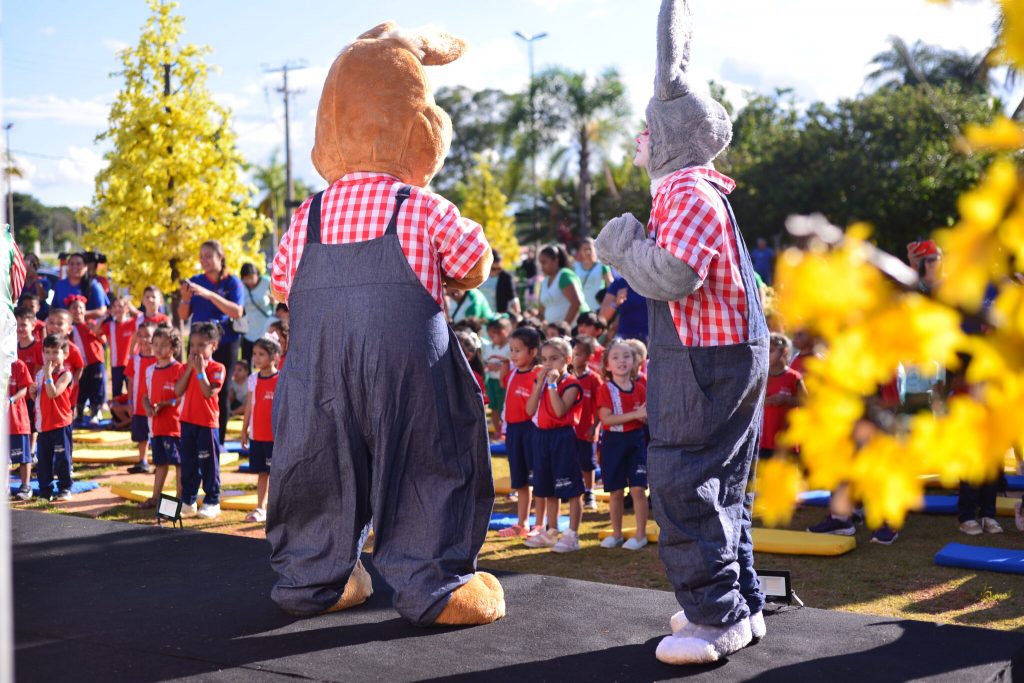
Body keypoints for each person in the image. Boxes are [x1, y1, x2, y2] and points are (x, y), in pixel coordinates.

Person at [594, 0, 767, 662]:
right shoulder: (690, 192)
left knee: (683, 477)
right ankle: (739, 602)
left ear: (670, 135)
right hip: (716, 354)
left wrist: (622, 246)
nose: (639, 140)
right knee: (722, 483)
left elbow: (673, 275)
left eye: (646, 129)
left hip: (707, 362)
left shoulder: (689, 192)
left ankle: (713, 616)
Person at [177, 240, 244, 445]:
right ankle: (191, 437)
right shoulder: (195, 281)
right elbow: (183, 315)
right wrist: (186, 298)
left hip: (225, 342)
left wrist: (209, 294)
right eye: (201, 256)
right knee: (192, 388)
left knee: (220, 392)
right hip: (198, 342)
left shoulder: (232, 282)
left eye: (208, 256)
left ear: (220, 256)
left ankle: (218, 440)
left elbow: (237, 311)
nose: (204, 260)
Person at [524, 337, 584, 553]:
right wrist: (540, 384)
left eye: (554, 359)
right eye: (545, 359)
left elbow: (560, 411)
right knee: (548, 488)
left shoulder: (571, 384)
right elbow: (529, 410)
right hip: (541, 436)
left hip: (562, 437)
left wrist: (551, 385)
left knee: (570, 487)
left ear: (567, 360)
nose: (549, 364)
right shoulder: (540, 381)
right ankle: (552, 530)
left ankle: (572, 534)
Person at [597, 340, 650, 550]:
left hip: (636, 441)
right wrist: (636, 415)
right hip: (613, 443)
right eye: (616, 357)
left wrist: (644, 417)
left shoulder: (641, 387)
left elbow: (647, 415)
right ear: (607, 364)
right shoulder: (605, 389)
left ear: (635, 361)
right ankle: (617, 533)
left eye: (626, 356)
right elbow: (606, 419)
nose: (621, 361)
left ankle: (640, 535)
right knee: (616, 491)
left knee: (638, 489)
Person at [174, 322, 226, 519]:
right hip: (187, 421)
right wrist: (189, 369)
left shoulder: (216, 368)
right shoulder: (184, 367)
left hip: (207, 423)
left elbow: (207, 392)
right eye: (193, 345)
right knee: (188, 462)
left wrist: (199, 371)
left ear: (213, 345)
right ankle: (188, 500)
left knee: (208, 464)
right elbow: (178, 391)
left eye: (201, 345)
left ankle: (212, 501)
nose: (196, 349)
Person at [497, 326, 543, 538]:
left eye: (517, 350)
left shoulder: (538, 373)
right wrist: (506, 364)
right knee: (521, 481)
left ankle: (540, 524)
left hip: (531, 430)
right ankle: (522, 523)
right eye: (511, 350)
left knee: (538, 479)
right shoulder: (514, 371)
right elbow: (503, 382)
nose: (513, 355)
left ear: (532, 352)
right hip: (514, 430)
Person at [141, 326, 185, 508]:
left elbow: (181, 396)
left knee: (178, 464)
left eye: (164, 345)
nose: (158, 349)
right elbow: (145, 395)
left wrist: (164, 405)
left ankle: (179, 500)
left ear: (173, 348)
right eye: (156, 344)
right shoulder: (150, 370)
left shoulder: (180, 370)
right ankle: (155, 497)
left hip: (175, 426)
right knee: (160, 463)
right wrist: (148, 408)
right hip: (157, 426)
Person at [240, 337, 281, 523]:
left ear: (275, 357)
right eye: (255, 354)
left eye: (261, 354)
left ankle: (278, 509)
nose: (256, 358)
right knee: (262, 473)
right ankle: (260, 507)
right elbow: (249, 406)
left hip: (275, 437)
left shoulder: (281, 379)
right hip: (257, 436)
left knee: (277, 474)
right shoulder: (253, 379)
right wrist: (244, 430)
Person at [31, 334, 75, 502]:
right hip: (44, 425)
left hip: (60, 424)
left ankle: (64, 488)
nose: (51, 357)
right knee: (43, 461)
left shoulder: (66, 374)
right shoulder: (40, 374)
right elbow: (40, 398)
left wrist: (48, 374)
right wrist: (33, 393)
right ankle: (45, 490)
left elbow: (52, 393)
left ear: (65, 354)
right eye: (47, 352)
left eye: (55, 352)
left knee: (62, 459)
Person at [760, 334, 806, 462]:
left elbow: (807, 402)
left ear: (784, 351)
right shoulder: (761, 376)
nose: (767, 354)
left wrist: (786, 400)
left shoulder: (794, 377)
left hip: (788, 443)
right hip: (764, 442)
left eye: (771, 350)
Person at [571, 335, 604, 511]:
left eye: (580, 354)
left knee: (588, 463)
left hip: (587, 429)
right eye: (574, 353)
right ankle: (575, 490)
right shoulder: (567, 376)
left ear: (590, 357)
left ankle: (589, 492)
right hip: (570, 430)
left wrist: (595, 426)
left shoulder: (594, 379)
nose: (576, 357)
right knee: (572, 460)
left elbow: (600, 406)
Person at [67, 295, 107, 426]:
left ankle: (95, 413)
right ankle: (79, 414)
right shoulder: (69, 329)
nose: (77, 310)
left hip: (95, 361)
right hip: (80, 365)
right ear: (69, 311)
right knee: (81, 389)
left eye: (80, 308)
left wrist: (96, 330)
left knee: (96, 388)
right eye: (74, 308)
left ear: (85, 310)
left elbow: (103, 340)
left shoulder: (92, 325)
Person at [124, 323, 158, 474]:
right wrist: (130, 402)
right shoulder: (134, 359)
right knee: (141, 435)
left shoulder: (159, 359)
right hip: (138, 405)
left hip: (155, 406)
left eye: (148, 335)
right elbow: (130, 382)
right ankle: (142, 461)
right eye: (140, 335)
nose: (144, 339)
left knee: (157, 434)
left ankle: (159, 462)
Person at [45, 309, 84, 419]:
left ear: (69, 329)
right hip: (47, 394)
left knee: (65, 424)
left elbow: (80, 367)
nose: (55, 326)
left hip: (67, 397)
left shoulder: (73, 349)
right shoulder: (42, 346)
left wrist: (72, 384)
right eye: (51, 323)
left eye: (60, 323)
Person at [16, 306, 43, 458]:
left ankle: (32, 452)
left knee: (33, 425)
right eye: (18, 325)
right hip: (18, 394)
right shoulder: (12, 347)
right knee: (19, 424)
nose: (21, 328)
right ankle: (20, 453)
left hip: (33, 393)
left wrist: (34, 389)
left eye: (24, 325)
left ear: (33, 325)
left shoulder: (38, 347)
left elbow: (40, 370)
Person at [537, 245, 588, 326]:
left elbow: (576, 303)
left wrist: (564, 327)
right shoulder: (544, 282)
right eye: (540, 263)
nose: (542, 267)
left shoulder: (565, 275)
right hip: (554, 333)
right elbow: (541, 310)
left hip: (574, 329)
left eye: (544, 262)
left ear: (556, 260)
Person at [239, 263, 276, 366]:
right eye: (246, 279)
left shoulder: (267, 282)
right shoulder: (241, 286)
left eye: (251, 278)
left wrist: (274, 301)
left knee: (268, 360)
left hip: (265, 327)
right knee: (246, 362)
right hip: (248, 329)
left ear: (257, 274)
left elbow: (278, 298)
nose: (249, 281)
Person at [54, 252, 108, 321]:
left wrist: (79, 314)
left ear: (85, 267)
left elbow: (102, 310)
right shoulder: (60, 285)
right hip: (63, 326)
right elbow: (54, 307)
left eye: (78, 264)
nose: (75, 267)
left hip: (86, 327)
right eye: (71, 264)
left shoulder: (94, 285)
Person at [9, 357, 34, 501]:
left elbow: (25, 388)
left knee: (23, 457)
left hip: (17, 419)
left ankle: (25, 485)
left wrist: (11, 400)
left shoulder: (18, 364)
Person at [483, 318, 513, 439]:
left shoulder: (510, 347)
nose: (491, 339)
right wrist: (487, 366)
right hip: (492, 381)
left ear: (504, 332)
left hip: (504, 383)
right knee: (493, 407)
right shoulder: (490, 347)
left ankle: (505, 431)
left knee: (503, 407)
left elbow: (512, 364)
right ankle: (497, 431)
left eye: (493, 336)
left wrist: (500, 367)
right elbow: (485, 362)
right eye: (489, 336)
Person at [599, 277, 648, 344]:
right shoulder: (620, 282)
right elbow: (603, 316)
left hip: (654, 339)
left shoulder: (656, 280)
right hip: (625, 340)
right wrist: (616, 302)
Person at [105, 297, 137, 399]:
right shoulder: (110, 325)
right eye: (114, 306)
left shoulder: (133, 322)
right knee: (116, 392)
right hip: (116, 364)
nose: (117, 309)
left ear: (127, 308)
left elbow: (142, 317)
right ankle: (116, 414)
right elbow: (96, 330)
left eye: (121, 306)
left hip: (131, 363)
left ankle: (131, 412)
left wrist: (132, 308)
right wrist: (105, 316)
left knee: (132, 391)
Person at [574, 238, 615, 311]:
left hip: (598, 307)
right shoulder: (575, 267)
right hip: (582, 308)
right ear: (580, 251)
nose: (587, 252)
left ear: (595, 249)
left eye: (590, 249)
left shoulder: (602, 266)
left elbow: (611, 286)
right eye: (584, 249)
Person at [478, 250, 521, 315]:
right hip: (480, 315)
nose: (497, 271)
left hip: (498, 316)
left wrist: (518, 314)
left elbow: (513, 298)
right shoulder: (478, 276)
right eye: (494, 269)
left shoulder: (506, 277)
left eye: (500, 268)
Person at [22, 253, 51, 321]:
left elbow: (42, 297)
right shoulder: (19, 280)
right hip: (22, 315)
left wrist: (35, 279)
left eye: (33, 262)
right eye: (27, 261)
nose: (30, 265)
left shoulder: (44, 281)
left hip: (41, 315)